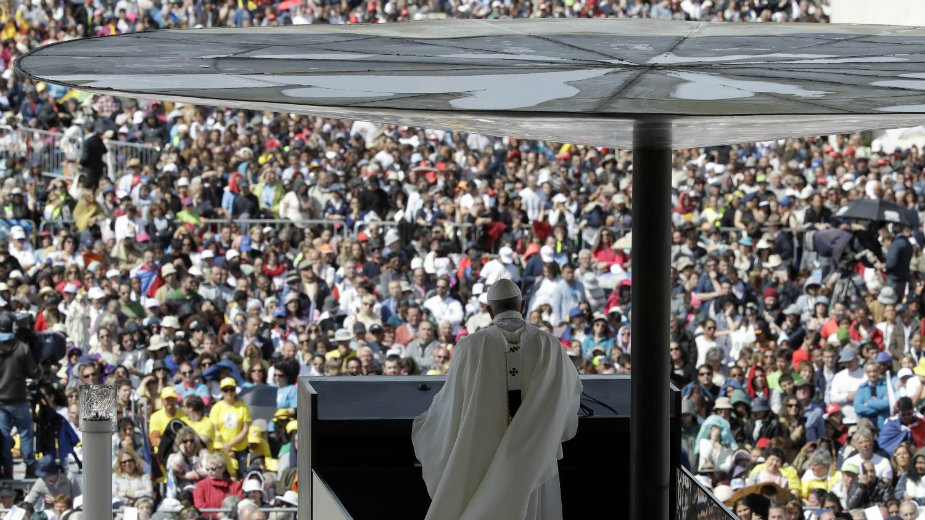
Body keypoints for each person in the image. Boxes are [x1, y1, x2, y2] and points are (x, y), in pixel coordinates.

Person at [412, 279, 582, 520]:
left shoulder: (470, 346)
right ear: (522, 306)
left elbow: (451, 405)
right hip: (535, 455)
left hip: (482, 451)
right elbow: (568, 400)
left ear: (489, 310)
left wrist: (427, 425)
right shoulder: (550, 345)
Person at [0, 313, 38, 479]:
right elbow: (33, 372)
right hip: (19, 399)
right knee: (25, 434)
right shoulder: (22, 347)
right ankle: (30, 466)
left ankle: (7, 469)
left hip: (0, 402)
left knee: (4, 436)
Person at [193, 452, 243, 519]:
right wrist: (216, 516)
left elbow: (241, 503)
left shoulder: (234, 486)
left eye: (213, 469)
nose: (210, 472)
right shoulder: (201, 486)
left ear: (223, 468)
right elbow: (199, 506)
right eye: (207, 469)